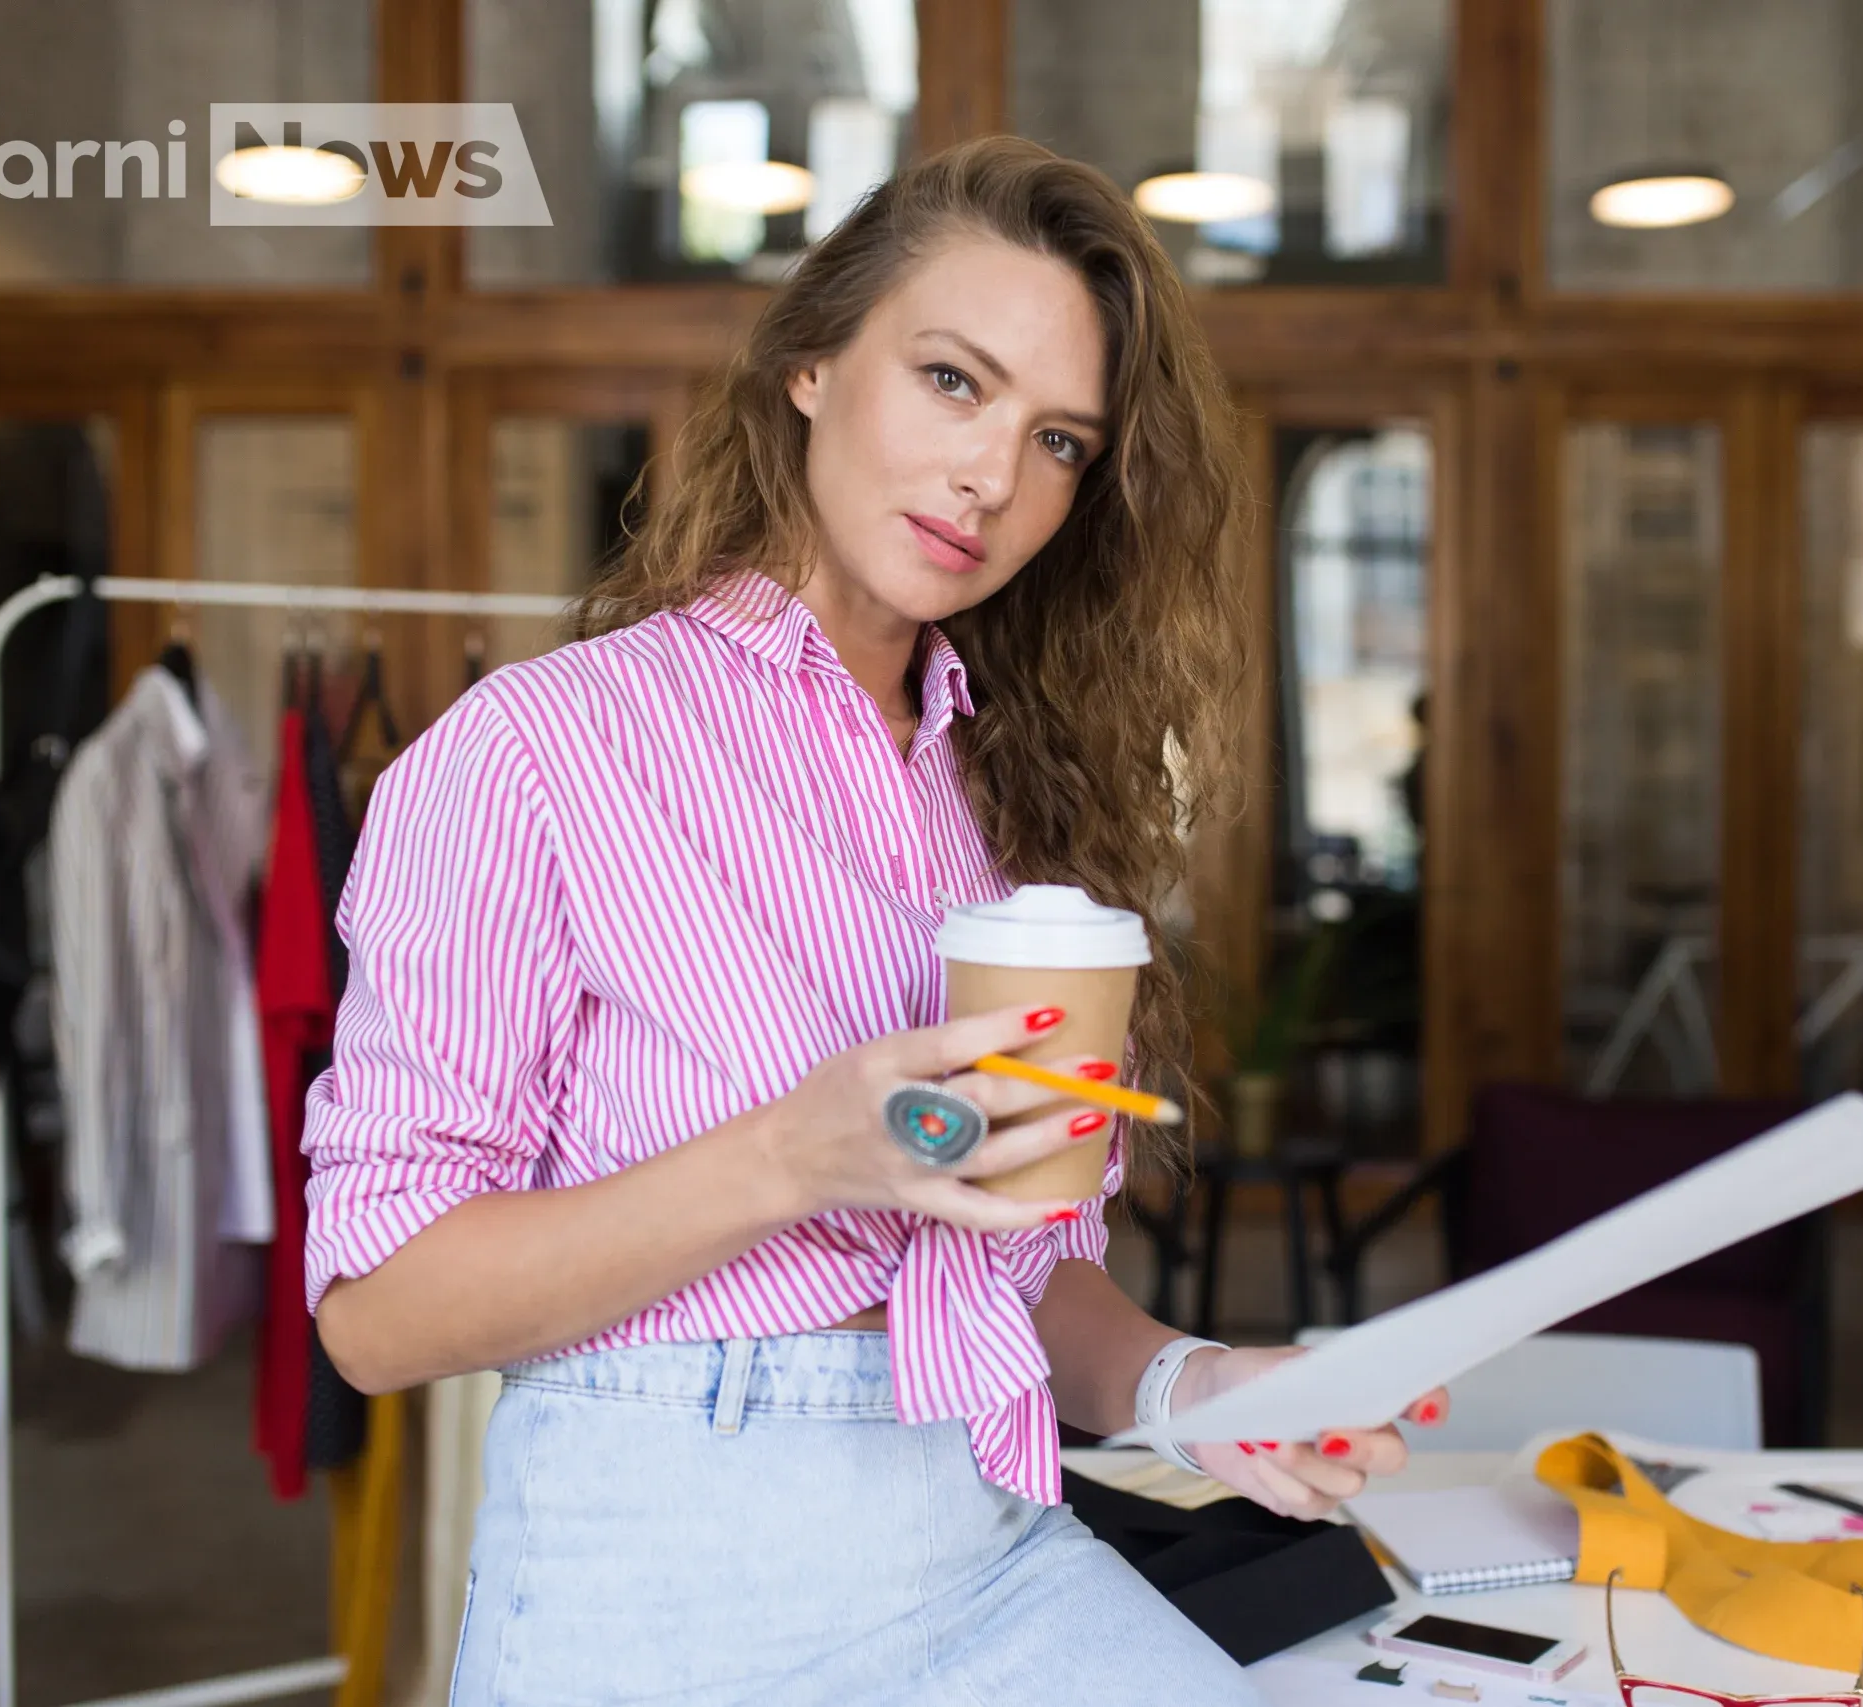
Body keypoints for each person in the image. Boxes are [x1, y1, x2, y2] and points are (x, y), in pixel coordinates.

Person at [301, 137, 1445, 1704]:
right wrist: (791, 1155)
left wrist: (1193, 1384)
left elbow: (1008, 1273)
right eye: (953, 381)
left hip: (982, 1545)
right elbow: (375, 1310)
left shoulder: (1008, 797)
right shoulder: (536, 751)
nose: (995, 476)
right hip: (656, 1575)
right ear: (812, 365)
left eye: (1059, 441)